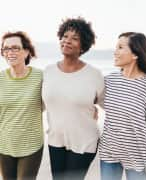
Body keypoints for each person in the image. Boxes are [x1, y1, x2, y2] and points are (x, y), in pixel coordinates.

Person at [42, 17, 104, 180]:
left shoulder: (94, 74)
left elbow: (107, 103)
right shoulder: (48, 71)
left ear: (83, 45)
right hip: (56, 139)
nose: (67, 41)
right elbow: (40, 103)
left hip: (85, 141)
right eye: (65, 36)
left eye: (75, 38)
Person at [98, 32, 146, 180]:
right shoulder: (109, 80)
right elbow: (86, 98)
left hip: (138, 156)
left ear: (135, 54)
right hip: (109, 152)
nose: (115, 52)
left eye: (120, 47)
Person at [0, 31, 44, 180]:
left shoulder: (40, 77)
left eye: (15, 48)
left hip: (31, 146)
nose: (10, 52)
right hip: (4, 146)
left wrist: (89, 106)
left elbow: (56, 99)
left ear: (26, 52)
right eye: (6, 49)